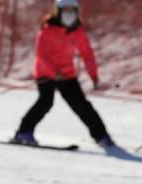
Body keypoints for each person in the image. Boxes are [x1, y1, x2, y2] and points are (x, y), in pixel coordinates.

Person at [13, 0, 115, 147]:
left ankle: (102, 136)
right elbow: (41, 55)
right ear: (58, 12)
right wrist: (53, 72)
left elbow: (87, 53)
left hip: (67, 74)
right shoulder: (46, 30)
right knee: (45, 102)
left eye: (72, 10)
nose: (69, 14)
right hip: (46, 72)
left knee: (81, 105)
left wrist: (93, 75)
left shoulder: (77, 31)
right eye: (65, 10)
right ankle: (23, 133)